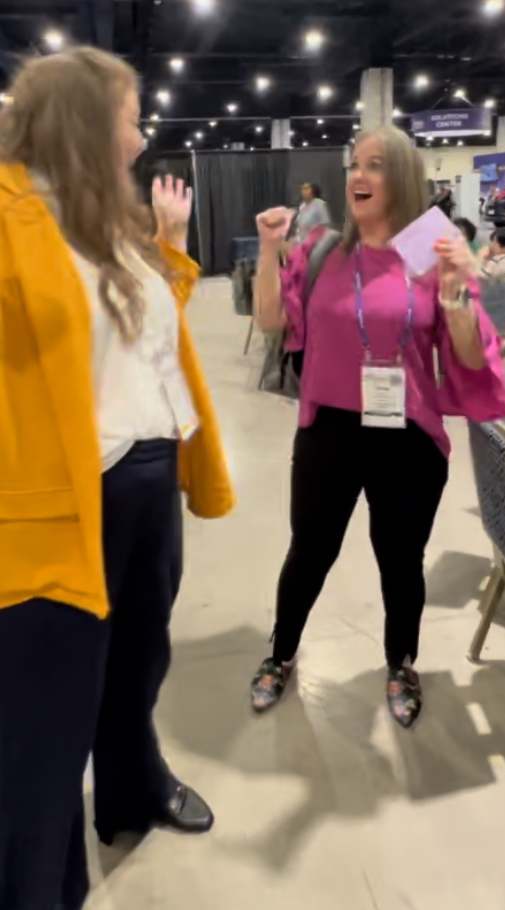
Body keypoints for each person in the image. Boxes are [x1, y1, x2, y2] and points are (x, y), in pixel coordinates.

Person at [0, 47, 235, 910]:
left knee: (140, 663)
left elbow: (140, 341)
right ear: (85, 123)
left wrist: (168, 250)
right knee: (48, 722)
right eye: (131, 121)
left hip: (150, 474)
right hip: (65, 500)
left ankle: (133, 791)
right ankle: (40, 887)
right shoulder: (11, 215)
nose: (140, 140)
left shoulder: (112, 223)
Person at [251, 126, 505, 729]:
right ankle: (281, 653)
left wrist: (457, 294)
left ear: (402, 179)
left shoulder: (430, 249)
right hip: (328, 432)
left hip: (409, 436)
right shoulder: (324, 250)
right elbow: (270, 319)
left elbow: (470, 357)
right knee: (309, 551)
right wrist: (270, 249)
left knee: (401, 560)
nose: (358, 176)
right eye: (354, 165)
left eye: (374, 165)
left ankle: (402, 663)